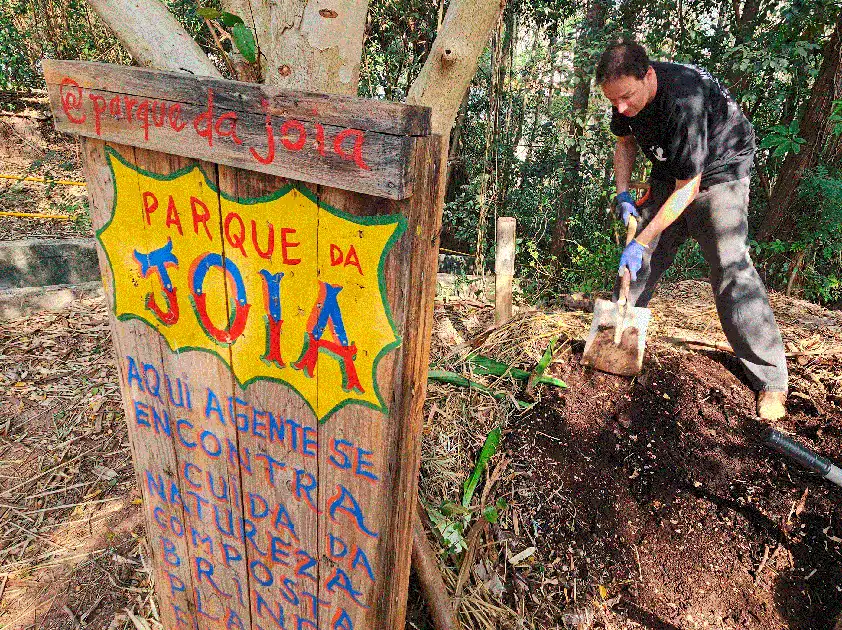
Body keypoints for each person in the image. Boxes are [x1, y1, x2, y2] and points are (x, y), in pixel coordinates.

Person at [595, 40, 788, 422]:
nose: (621, 108)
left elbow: (689, 188)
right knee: (640, 260)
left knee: (729, 264)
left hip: (719, 170)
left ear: (648, 76)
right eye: (613, 101)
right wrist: (622, 193)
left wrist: (642, 239)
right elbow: (624, 140)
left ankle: (771, 381)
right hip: (675, 171)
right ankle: (614, 348)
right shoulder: (626, 97)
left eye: (627, 98)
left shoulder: (684, 100)